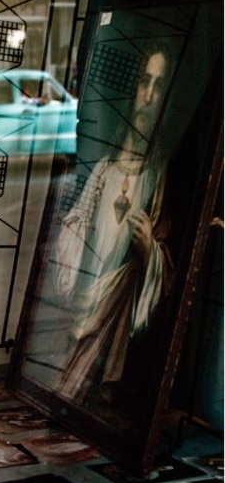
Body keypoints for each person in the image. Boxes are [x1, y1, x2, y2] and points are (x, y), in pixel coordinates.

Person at [53, 40, 175, 412]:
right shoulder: (105, 170)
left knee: (103, 400)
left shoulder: (158, 177)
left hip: (118, 317)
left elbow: (168, 267)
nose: (148, 96)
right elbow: (74, 227)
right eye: (144, 82)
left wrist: (149, 249)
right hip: (86, 303)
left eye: (158, 86)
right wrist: (77, 231)